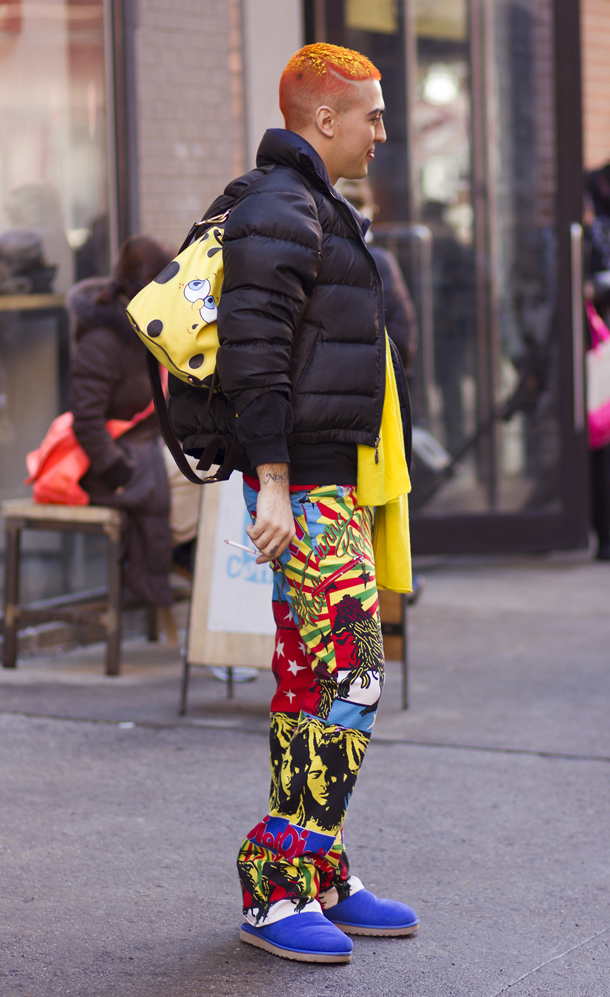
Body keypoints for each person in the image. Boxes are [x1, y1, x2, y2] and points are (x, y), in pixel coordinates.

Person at [169, 43, 418, 963]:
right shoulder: (282, 207)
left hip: (327, 486)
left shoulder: (312, 206)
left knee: (312, 681)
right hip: (302, 490)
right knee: (355, 674)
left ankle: (322, 868)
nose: (382, 132)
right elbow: (253, 351)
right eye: (373, 114)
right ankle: (277, 874)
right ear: (324, 119)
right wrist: (270, 478)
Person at [68, 235, 197, 606]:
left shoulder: (141, 333)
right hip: (107, 470)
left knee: (211, 469)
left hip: (143, 456)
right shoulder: (103, 341)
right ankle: (176, 552)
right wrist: (119, 474)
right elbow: (86, 421)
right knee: (203, 475)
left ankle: (179, 552)